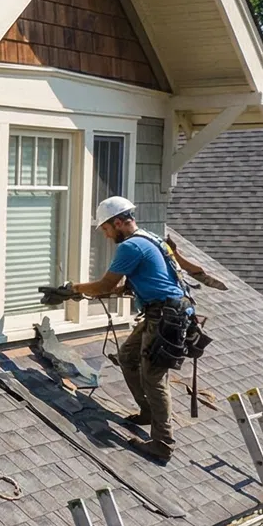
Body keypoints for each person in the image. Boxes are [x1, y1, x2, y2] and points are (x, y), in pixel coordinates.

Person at [66, 197, 194, 462]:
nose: (106, 235)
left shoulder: (131, 246)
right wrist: (89, 292)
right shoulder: (150, 239)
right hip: (164, 312)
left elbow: (105, 285)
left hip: (165, 316)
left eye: (106, 228)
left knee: (154, 378)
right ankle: (148, 411)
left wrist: (74, 288)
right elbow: (122, 286)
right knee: (127, 357)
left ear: (118, 222)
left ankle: (163, 443)